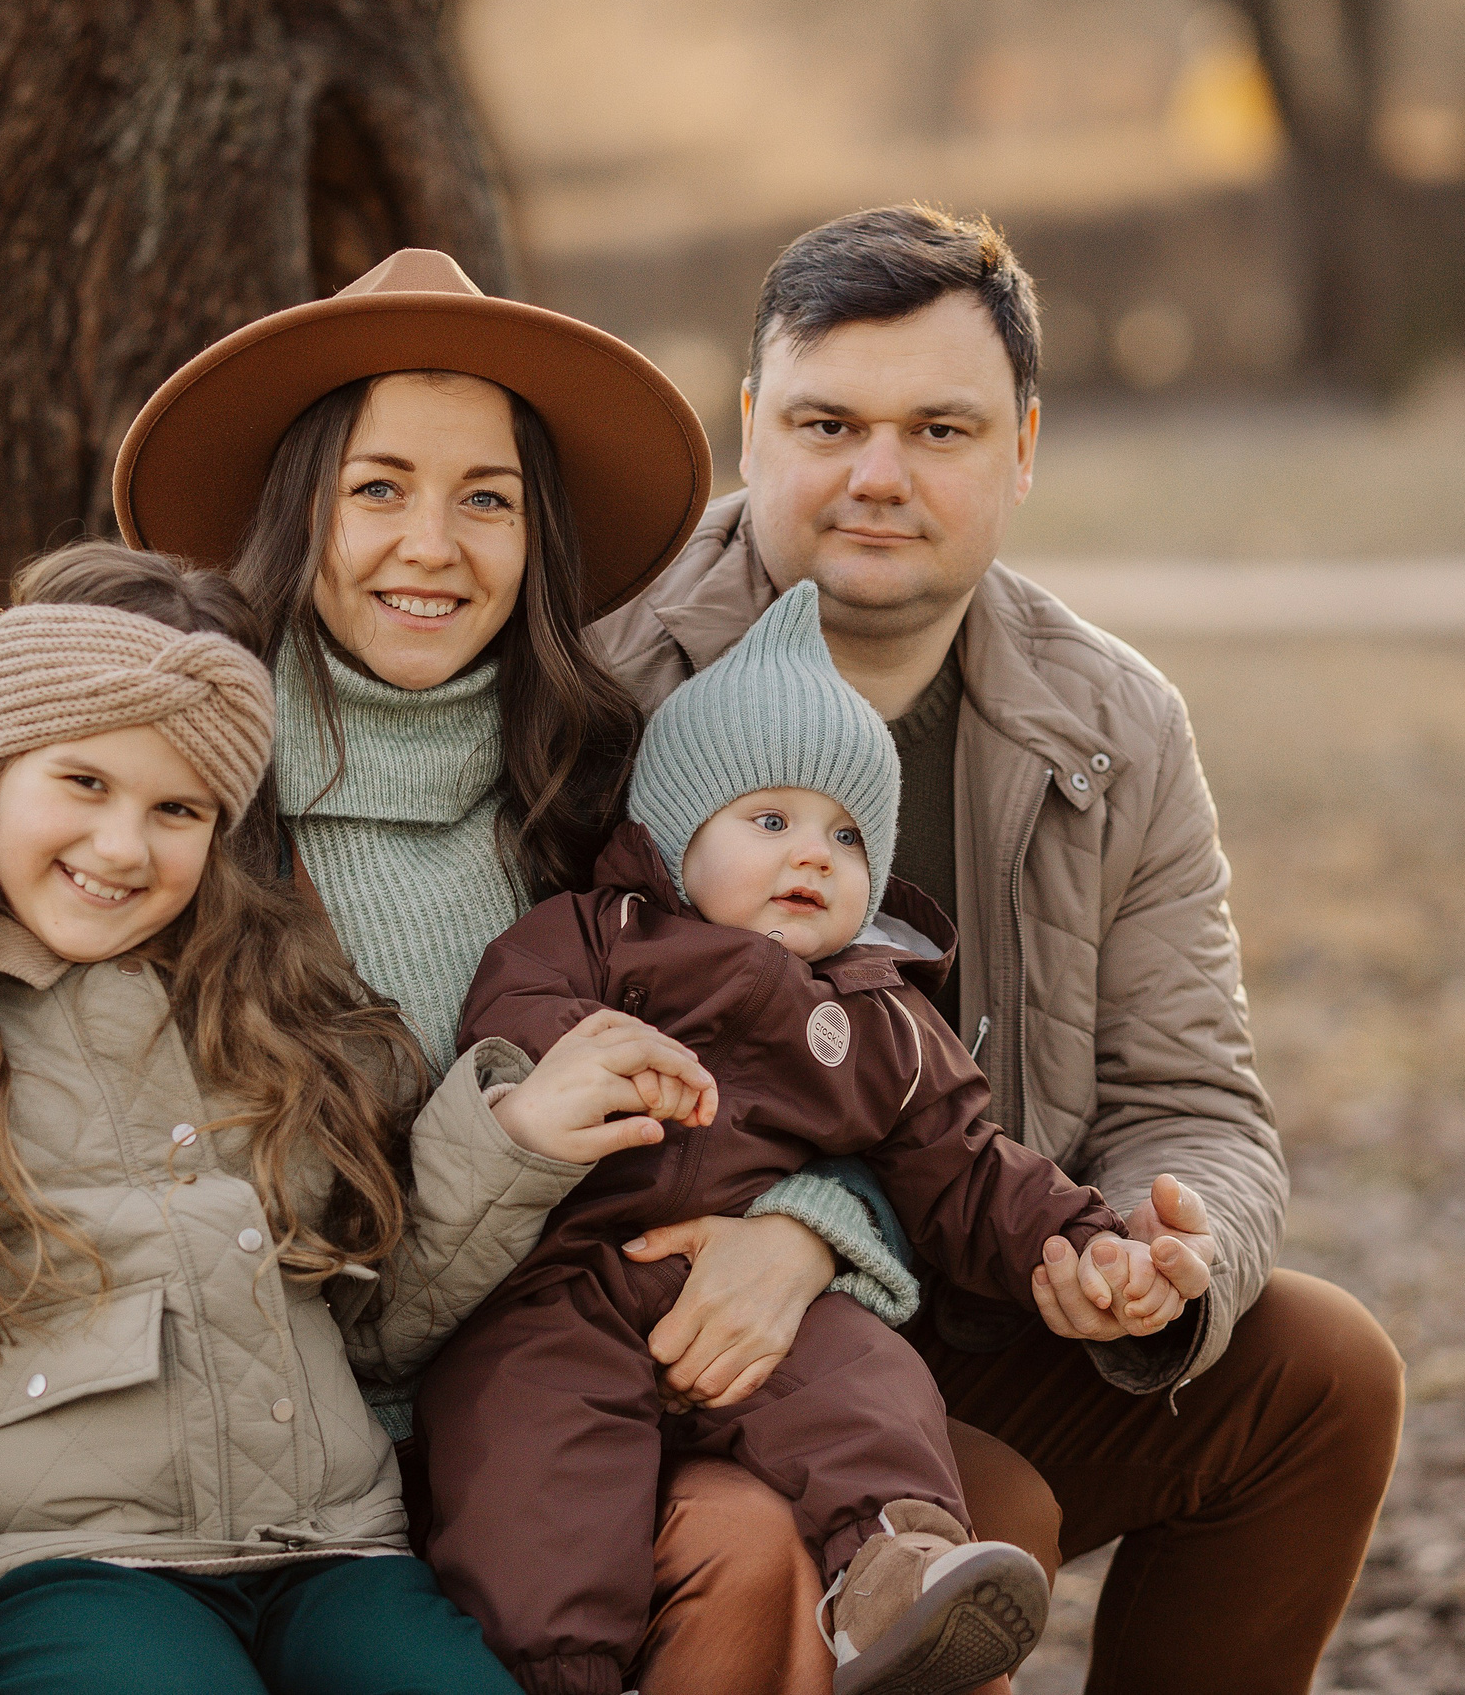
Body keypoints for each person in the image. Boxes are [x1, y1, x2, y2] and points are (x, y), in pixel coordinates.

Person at [0, 248, 930, 1693]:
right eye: (376, 488)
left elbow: (816, 1045)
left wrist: (811, 1224)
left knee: (759, 1540)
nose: (430, 544)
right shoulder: (172, 776)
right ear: (300, 509)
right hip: (177, 1482)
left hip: (519, 1421)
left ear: (536, 538)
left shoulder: (597, 797)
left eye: (485, 498)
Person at [585, 205, 1409, 1693]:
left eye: (940, 429)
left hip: (980, 1286)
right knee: (985, 1513)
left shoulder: (1113, 724)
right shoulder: (607, 681)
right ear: (750, 427)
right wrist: (810, 1232)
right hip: (669, 1329)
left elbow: (1193, 1097)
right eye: (828, 423)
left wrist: (1161, 1252)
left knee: (1319, 1371)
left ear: (1021, 448)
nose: (878, 475)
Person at [0, 543, 719, 1695]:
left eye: (177, 808)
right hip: (57, 1568)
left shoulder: (278, 1006)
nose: (122, 847)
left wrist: (511, 1142)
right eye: (83, 782)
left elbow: (370, 1322)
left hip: (331, 1549)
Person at [421, 581, 1114, 1695]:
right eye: (771, 820)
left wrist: (1083, 1240)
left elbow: (967, 1165)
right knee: (530, 1460)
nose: (815, 855)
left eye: (848, 835)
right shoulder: (599, 937)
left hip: (774, 1306)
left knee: (869, 1385)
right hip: (569, 1281)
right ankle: (558, 1667)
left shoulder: (880, 1018)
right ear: (675, 836)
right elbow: (509, 1016)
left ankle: (895, 1570)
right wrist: (591, 1054)